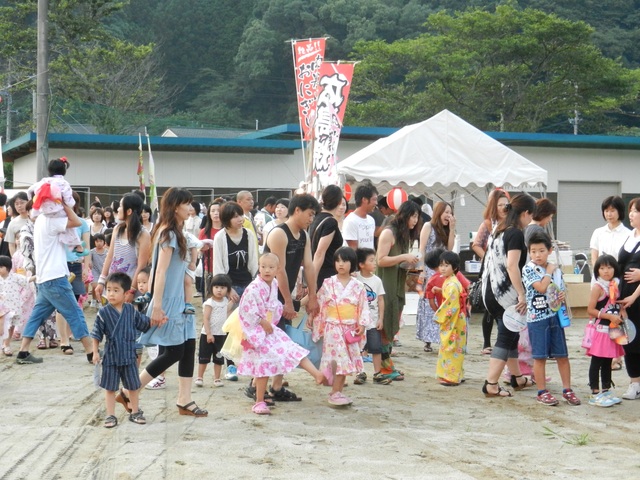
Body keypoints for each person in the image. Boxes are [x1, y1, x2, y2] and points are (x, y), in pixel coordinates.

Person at [129, 187, 207, 418]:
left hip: (180, 301)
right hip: (170, 301)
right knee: (174, 352)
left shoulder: (177, 232)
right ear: (174, 206)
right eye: (186, 204)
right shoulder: (169, 233)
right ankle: (131, 389)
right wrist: (158, 304)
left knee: (188, 348)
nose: (190, 208)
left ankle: (185, 399)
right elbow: (160, 271)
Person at [236, 253, 325, 414]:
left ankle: (317, 374)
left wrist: (283, 311)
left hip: (270, 328)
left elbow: (274, 304)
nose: (266, 270)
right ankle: (259, 402)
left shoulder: (274, 284)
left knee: (291, 348)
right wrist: (262, 321)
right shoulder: (254, 288)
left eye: (271, 267)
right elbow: (246, 309)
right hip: (257, 331)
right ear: (259, 267)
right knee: (263, 365)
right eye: (263, 267)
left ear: (278, 269)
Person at [15, 198, 94, 364]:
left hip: (45, 278)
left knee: (37, 316)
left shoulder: (40, 220)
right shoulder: (50, 221)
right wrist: (65, 204)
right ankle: (91, 352)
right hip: (55, 278)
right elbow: (76, 221)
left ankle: (23, 352)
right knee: (75, 313)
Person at [262, 193, 320, 402]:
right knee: (268, 340)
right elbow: (280, 271)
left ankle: (276, 386)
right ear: (297, 210)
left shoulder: (303, 235)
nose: (311, 219)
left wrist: (313, 295)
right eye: (310, 214)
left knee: (283, 338)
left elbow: (310, 265)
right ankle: (256, 385)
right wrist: (287, 301)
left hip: (285, 293)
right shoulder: (279, 233)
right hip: (268, 295)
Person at [481, 194, 536, 397]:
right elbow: (512, 266)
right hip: (505, 294)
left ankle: (516, 377)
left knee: (511, 335)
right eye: (531, 215)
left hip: (490, 291)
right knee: (505, 337)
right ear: (525, 213)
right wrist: (522, 294)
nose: (531, 220)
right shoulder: (515, 234)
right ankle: (491, 384)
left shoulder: (499, 230)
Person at [522, 231, 581, 406]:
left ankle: (567, 389)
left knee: (562, 355)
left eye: (541, 251)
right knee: (539, 357)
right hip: (537, 319)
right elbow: (541, 288)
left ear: (549, 250)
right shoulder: (528, 269)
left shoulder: (556, 270)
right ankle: (542, 392)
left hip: (555, 317)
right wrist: (548, 272)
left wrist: (561, 295)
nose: (537, 255)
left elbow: (558, 289)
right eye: (533, 251)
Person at [91, 272, 150, 428]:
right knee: (110, 387)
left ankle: (135, 411)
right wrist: (95, 352)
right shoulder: (103, 312)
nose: (111, 293)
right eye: (109, 289)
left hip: (129, 355)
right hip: (111, 355)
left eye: (116, 290)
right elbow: (96, 333)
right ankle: (110, 415)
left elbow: (144, 324)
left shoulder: (131, 310)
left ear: (125, 294)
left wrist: (158, 320)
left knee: (133, 386)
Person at [312, 247, 370, 405]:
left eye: (345, 261)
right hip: (333, 326)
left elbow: (363, 306)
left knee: (345, 359)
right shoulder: (328, 283)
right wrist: (312, 315)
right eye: (337, 261)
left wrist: (362, 325)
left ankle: (336, 391)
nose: (341, 264)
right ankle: (335, 391)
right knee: (340, 359)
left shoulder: (358, 286)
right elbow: (320, 302)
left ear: (353, 263)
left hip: (350, 327)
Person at [376, 200, 422, 380]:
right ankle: (385, 367)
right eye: (413, 216)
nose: (415, 220)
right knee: (386, 322)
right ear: (405, 215)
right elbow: (380, 260)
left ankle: (386, 364)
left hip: (397, 282)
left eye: (417, 216)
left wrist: (409, 264)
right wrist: (403, 256)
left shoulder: (404, 234)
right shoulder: (389, 232)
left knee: (393, 321)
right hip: (385, 283)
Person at [95, 193, 151, 305]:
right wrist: (101, 281)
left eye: (121, 206)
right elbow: (110, 256)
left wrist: (132, 289)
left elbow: (141, 265)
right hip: (112, 286)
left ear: (129, 211)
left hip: (129, 289)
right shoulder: (117, 229)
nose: (118, 209)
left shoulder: (143, 234)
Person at [584, 254, 624, 407]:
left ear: (615, 269)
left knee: (608, 360)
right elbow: (590, 310)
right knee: (597, 361)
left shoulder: (616, 285)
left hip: (614, 329)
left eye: (609, 267)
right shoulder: (598, 287)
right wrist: (609, 316)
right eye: (602, 268)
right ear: (597, 270)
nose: (606, 271)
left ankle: (606, 390)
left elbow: (618, 305)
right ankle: (594, 393)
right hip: (601, 330)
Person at [27, 157, 88, 256]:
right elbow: (69, 200)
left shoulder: (43, 181)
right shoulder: (64, 183)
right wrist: (69, 205)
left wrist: (32, 199)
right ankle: (77, 246)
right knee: (70, 226)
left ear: (49, 171)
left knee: (64, 227)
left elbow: (30, 190)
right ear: (64, 171)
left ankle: (74, 244)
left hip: (45, 211)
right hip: (59, 209)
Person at [417, 201, 456, 352]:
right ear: (438, 212)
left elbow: (450, 249)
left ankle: (440, 336)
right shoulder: (428, 226)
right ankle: (427, 338)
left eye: (450, 212)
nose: (448, 215)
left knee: (442, 301)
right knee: (428, 302)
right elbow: (421, 248)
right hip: (428, 268)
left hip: (442, 270)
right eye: (446, 212)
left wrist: (452, 229)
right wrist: (420, 269)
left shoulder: (447, 229)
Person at [355, 247, 391, 385]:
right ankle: (360, 372)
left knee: (376, 348)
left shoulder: (377, 281)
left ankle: (377, 373)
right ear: (361, 264)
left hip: (373, 321)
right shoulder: (355, 278)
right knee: (358, 348)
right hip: (359, 322)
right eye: (371, 260)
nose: (375, 263)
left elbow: (380, 300)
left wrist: (381, 318)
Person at [616, 197, 640, 400]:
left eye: (635, 211)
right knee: (628, 339)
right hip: (625, 298)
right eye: (631, 210)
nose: (630, 214)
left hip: (637, 297)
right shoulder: (629, 235)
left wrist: (634, 295)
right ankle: (634, 383)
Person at [433, 250, 467, 386]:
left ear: (454, 268)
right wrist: (440, 290)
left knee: (451, 347)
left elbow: (451, 306)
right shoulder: (450, 281)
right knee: (455, 347)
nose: (442, 268)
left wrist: (439, 316)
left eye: (446, 265)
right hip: (457, 318)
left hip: (455, 319)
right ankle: (457, 374)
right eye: (441, 265)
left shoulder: (452, 283)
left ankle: (451, 377)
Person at [196, 274, 235, 388]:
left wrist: (232, 302)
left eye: (223, 288)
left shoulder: (225, 301)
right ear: (212, 288)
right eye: (216, 287)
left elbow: (225, 311)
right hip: (208, 334)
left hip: (220, 334)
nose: (219, 290)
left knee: (219, 358)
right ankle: (200, 377)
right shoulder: (209, 303)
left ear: (227, 290)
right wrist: (208, 333)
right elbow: (206, 318)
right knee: (204, 357)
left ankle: (217, 378)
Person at [309, 185, 344, 290]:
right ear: (339, 202)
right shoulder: (330, 222)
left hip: (315, 269)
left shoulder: (316, 218)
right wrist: (313, 281)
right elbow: (320, 253)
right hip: (326, 273)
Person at [0, 255, 35, 356]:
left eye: (1, 267)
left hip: (13, 308)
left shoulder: (15, 277)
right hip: (2, 309)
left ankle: (6, 345)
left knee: (10, 327)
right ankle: (3, 344)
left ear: (8, 267)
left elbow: (27, 280)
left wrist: (37, 276)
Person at [590, 196, 630, 265]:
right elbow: (594, 257)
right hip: (601, 274)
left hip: (620, 274)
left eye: (612, 211)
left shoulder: (629, 234)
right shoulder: (598, 232)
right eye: (606, 211)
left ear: (620, 211)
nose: (609, 214)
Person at [342, 182, 377, 249]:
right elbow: (353, 250)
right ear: (364, 200)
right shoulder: (351, 221)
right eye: (374, 199)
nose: (376, 203)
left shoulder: (371, 220)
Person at [6, 192, 31, 257]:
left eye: (22, 203)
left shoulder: (35, 219)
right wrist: (15, 259)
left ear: (29, 202)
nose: (19, 206)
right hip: (21, 258)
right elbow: (11, 244)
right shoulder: (13, 223)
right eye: (16, 204)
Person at [89, 233, 108, 308]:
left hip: (104, 271)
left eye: (100, 241)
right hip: (95, 271)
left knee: (102, 288)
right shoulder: (92, 252)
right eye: (97, 241)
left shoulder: (107, 252)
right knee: (95, 285)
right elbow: (88, 259)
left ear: (104, 242)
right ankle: (94, 299)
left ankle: (100, 301)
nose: (99, 243)